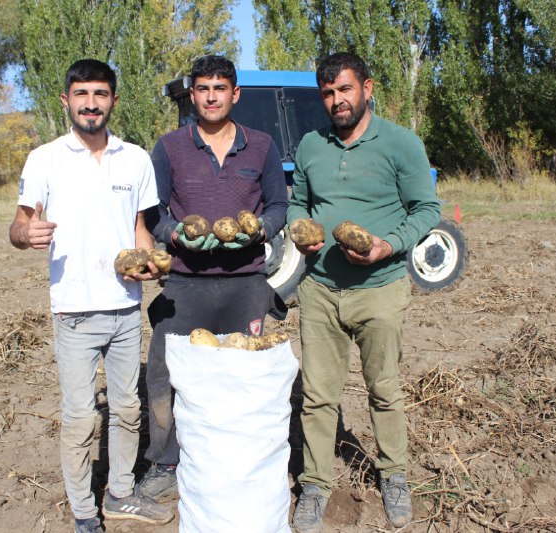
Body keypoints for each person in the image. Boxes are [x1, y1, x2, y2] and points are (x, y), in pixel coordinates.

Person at [8, 59, 173, 533]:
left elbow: (140, 228)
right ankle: (84, 512)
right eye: (81, 94)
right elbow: (18, 225)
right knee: (81, 417)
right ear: (66, 100)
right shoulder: (45, 158)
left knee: (127, 410)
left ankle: (119, 494)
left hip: (124, 307)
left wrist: (150, 260)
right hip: (74, 311)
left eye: (100, 94)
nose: (91, 104)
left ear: (113, 100)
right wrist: (25, 234)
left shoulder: (135, 159)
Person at [287, 52, 441, 532]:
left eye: (345, 89)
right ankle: (315, 485)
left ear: (367, 89)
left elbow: (426, 209)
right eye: (327, 93)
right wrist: (299, 229)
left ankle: (393, 475)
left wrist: (386, 246)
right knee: (317, 396)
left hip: (380, 289)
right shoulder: (311, 144)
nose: (337, 100)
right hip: (320, 289)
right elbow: (298, 202)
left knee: (385, 389)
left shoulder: (400, 143)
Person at [139, 55, 289, 502]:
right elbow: (154, 212)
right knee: (165, 373)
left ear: (234, 94)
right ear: (192, 95)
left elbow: (278, 206)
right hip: (185, 283)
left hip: (246, 283)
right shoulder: (169, 147)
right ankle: (166, 463)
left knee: (244, 373)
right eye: (202, 89)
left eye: (219, 88)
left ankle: (238, 461)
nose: (211, 97)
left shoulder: (261, 145)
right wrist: (175, 234)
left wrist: (261, 230)